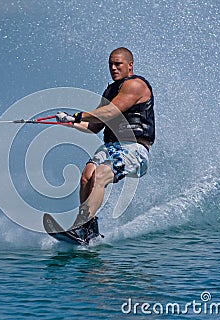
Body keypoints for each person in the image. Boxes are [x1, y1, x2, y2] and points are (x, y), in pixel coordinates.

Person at [55, 47, 155, 243]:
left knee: (100, 174)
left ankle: (81, 226)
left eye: (118, 64)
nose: (113, 68)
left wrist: (77, 115)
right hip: (111, 146)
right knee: (86, 177)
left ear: (130, 65)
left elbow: (111, 112)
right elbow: (94, 127)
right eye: (110, 64)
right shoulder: (110, 91)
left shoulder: (136, 85)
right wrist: (71, 123)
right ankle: (88, 228)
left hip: (133, 148)